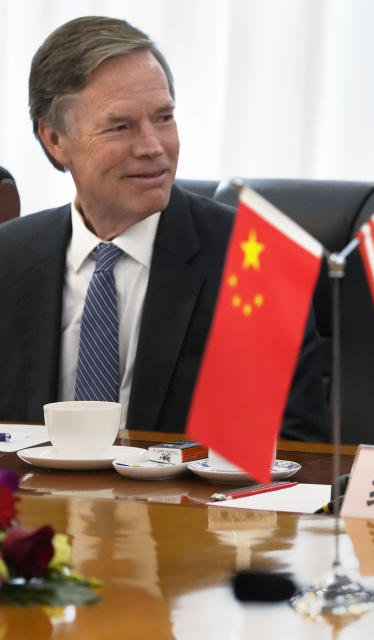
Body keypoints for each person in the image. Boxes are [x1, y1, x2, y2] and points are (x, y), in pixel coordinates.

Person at [0, 16, 326, 440]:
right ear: (56, 141)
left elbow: (287, 453)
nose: (154, 147)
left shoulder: (254, 261)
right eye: (121, 126)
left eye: (164, 118)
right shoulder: (8, 261)